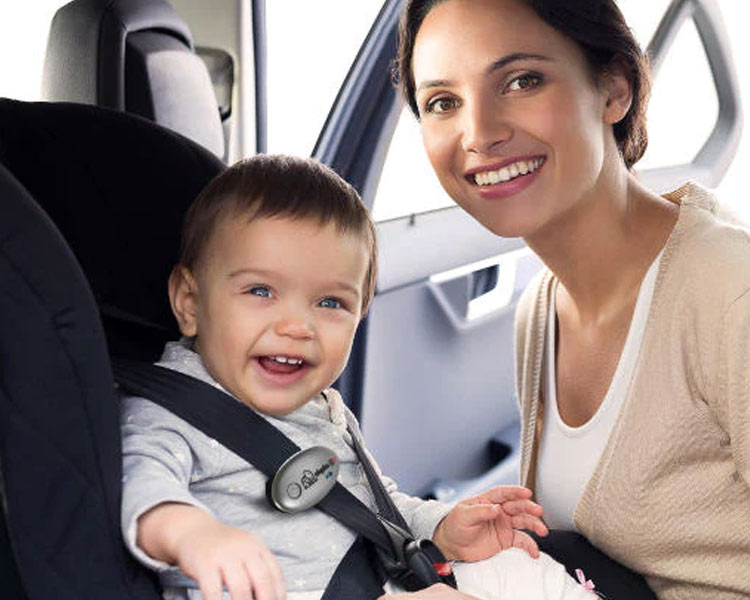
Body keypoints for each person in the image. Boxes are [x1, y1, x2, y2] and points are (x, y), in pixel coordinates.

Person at [389, 0, 750, 598]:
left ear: (614, 89)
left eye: (522, 81)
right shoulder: (541, 312)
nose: (479, 132)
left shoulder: (744, 301)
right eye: (443, 102)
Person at [119, 154, 599, 600]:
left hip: (376, 578)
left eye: (330, 303)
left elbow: (374, 506)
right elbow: (143, 487)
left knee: (519, 565)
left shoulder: (321, 408)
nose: (296, 326)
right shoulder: (169, 413)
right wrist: (194, 534)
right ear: (189, 302)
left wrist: (441, 526)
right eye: (261, 290)